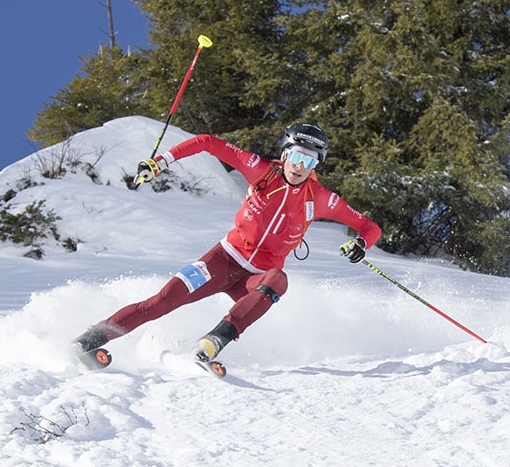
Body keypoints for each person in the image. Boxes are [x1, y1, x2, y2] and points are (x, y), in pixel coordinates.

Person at [71, 122, 382, 365]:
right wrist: (161, 161)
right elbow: (208, 142)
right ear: (286, 153)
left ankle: (212, 342)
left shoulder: (321, 199)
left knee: (279, 279)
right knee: (162, 301)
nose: (300, 166)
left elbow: (370, 227)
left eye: (310, 161)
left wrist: (360, 244)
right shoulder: (261, 171)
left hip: (256, 278)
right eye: (297, 156)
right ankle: (91, 338)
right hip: (222, 260)